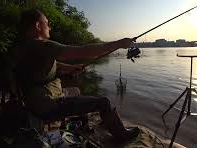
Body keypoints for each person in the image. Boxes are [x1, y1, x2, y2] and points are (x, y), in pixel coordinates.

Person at [14, 9, 140, 142]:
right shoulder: (44, 46)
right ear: (38, 26)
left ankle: (105, 121)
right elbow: (85, 51)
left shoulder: (23, 46)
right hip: (48, 107)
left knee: (76, 90)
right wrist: (119, 43)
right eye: (47, 23)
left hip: (31, 103)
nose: (49, 27)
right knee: (104, 102)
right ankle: (122, 136)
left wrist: (71, 68)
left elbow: (49, 65)